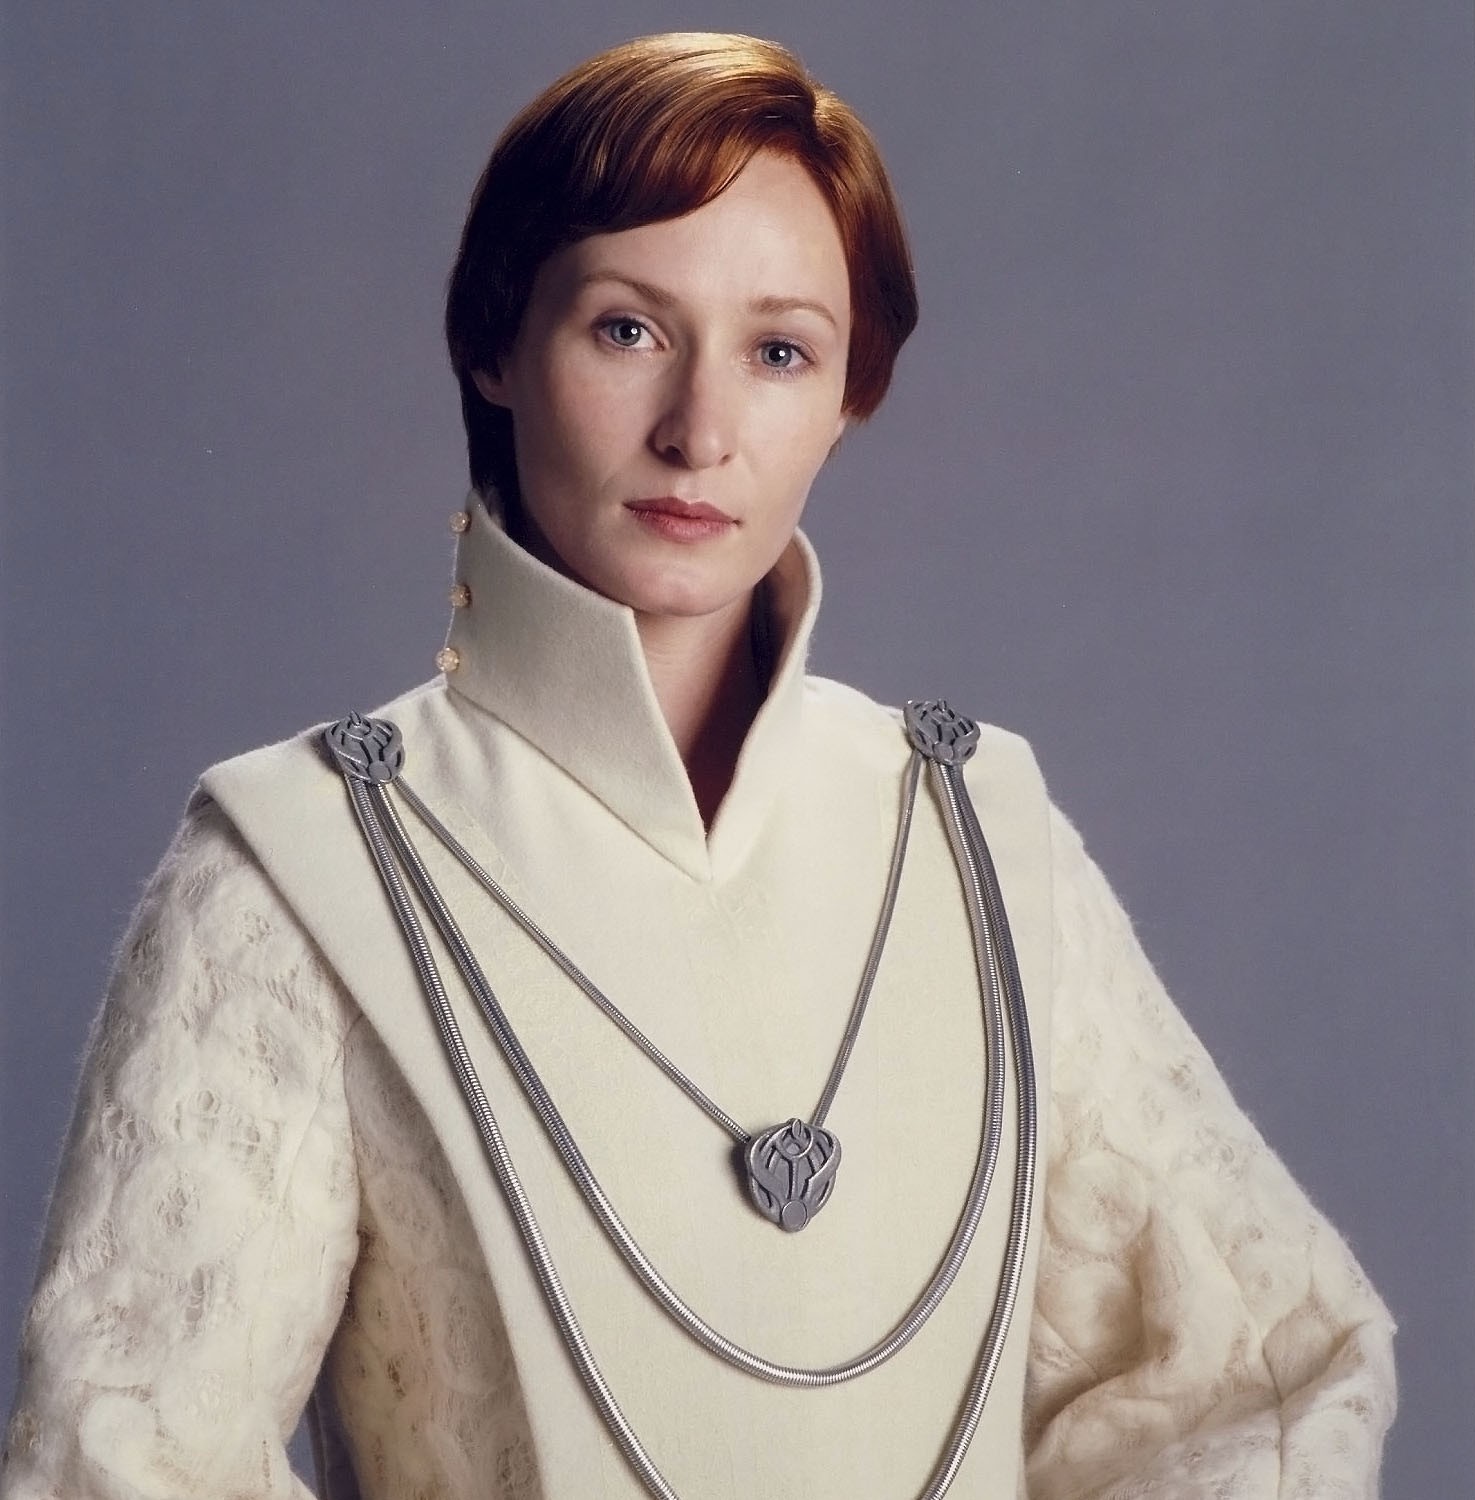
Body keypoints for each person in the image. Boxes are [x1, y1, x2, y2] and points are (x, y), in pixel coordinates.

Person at [0, 31, 1395, 1500]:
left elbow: (1262, 1382)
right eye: (626, 329)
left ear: (849, 396)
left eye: (780, 352)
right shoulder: (296, 868)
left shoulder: (979, 830)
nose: (700, 431)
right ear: (494, 342)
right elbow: (122, 1458)